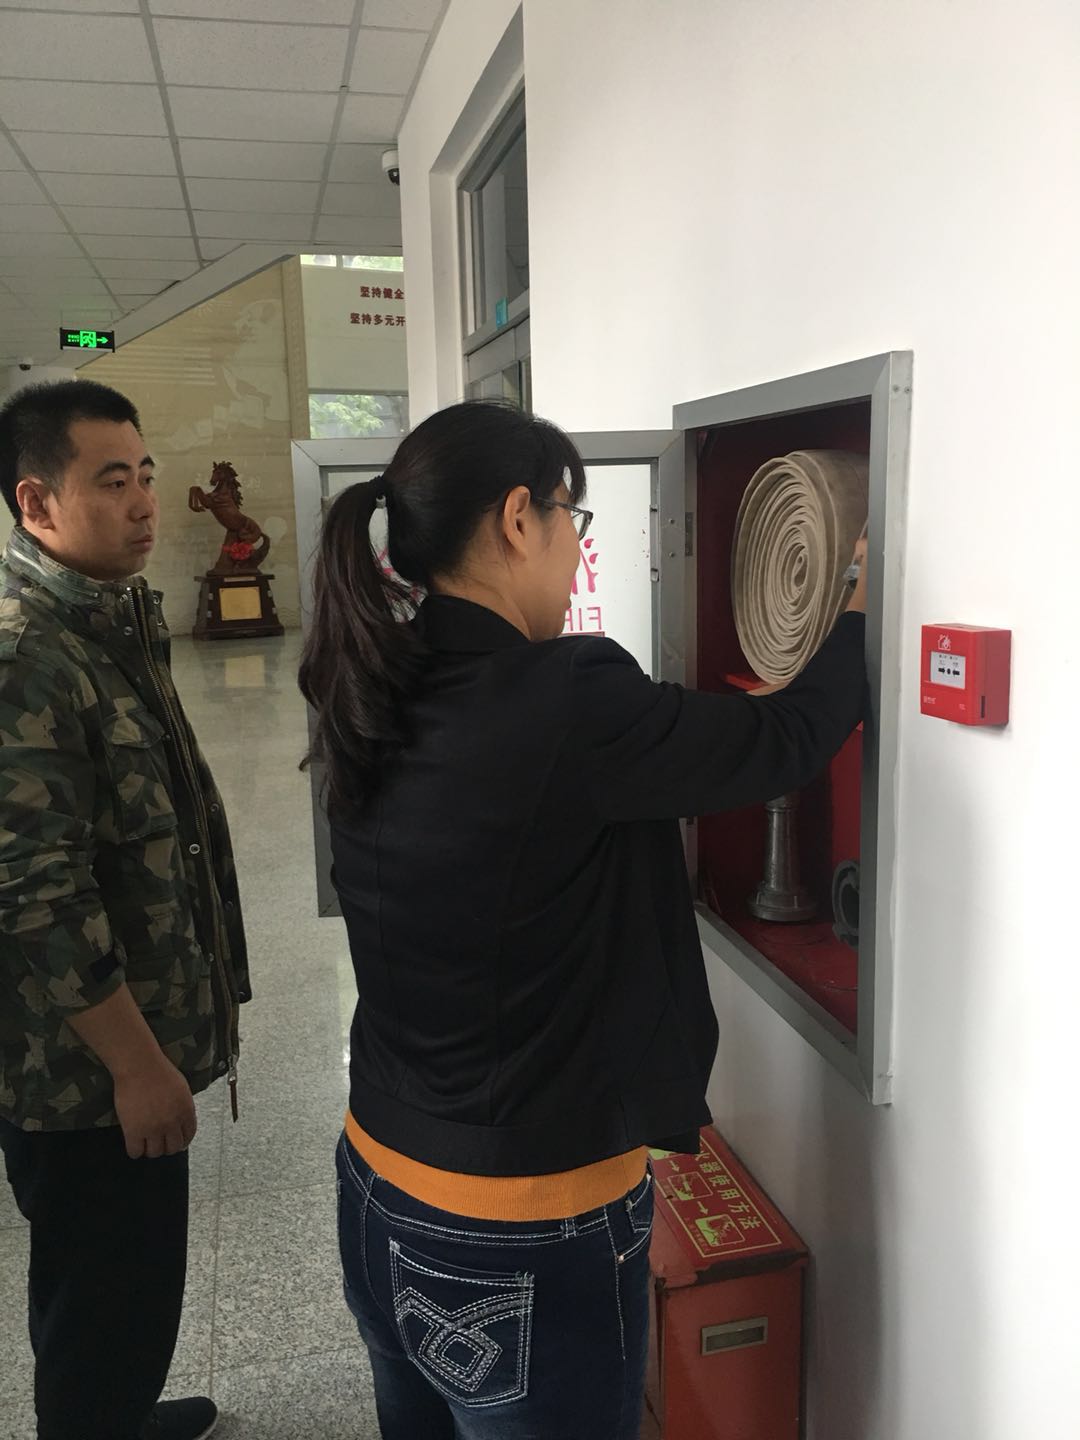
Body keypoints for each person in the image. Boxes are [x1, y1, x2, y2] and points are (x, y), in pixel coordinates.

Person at [299, 400, 868, 1440]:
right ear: (520, 518)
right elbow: (782, 740)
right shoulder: (566, 697)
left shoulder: (378, 676)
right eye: (575, 519)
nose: (575, 552)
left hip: (378, 1176)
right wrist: (861, 608)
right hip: (519, 1222)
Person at [0, 381, 250, 1440]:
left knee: (122, 1284)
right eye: (112, 482)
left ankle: (116, 1416)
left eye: (146, 474)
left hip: (129, 1045)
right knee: (103, 1295)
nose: (145, 502)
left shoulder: (103, 624)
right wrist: (138, 1068)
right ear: (36, 502)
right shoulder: (27, 655)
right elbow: (34, 894)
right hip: (87, 1076)